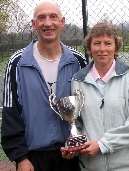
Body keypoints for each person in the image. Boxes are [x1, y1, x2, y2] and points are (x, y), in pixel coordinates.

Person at [1, 1, 86, 171]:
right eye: (41, 18)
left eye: (53, 17)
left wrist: (79, 145)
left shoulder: (78, 61)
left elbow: (87, 108)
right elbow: (11, 113)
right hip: (33, 158)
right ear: (34, 24)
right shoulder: (17, 62)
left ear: (62, 22)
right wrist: (21, 157)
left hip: (72, 154)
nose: (48, 23)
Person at [70, 21, 129, 171]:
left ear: (116, 47)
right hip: (92, 166)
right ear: (89, 47)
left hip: (127, 166)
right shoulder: (78, 80)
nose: (102, 49)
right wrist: (75, 144)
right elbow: (77, 122)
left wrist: (102, 144)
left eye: (108, 43)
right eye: (97, 43)